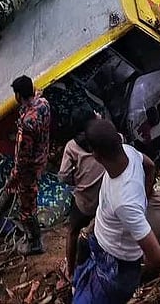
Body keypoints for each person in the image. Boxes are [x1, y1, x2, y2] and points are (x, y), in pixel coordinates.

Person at [73, 119, 160, 304]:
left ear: (96, 156)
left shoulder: (125, 204)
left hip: (116, 266)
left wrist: (137, 279)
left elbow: (157, 258)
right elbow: (150, 166)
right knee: (81, 260)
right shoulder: (129, 152)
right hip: (100, 240)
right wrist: (144, 197)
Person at [0, 75, 52, 255]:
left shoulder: (27, 124)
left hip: (29, 168)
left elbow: (22, 160)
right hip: (42, 157)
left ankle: (34, 244)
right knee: (22, 197)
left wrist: (13, 179)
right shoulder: (43, 104)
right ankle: (0, 213)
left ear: (18, 95)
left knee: (26, 208)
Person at [58, 108, 106, 282]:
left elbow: (63, 175)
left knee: (72, 231)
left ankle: (70, 272)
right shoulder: (103, 135)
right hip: (106, 197)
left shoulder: (72, 146)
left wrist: (76, 181)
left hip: (85, 203)